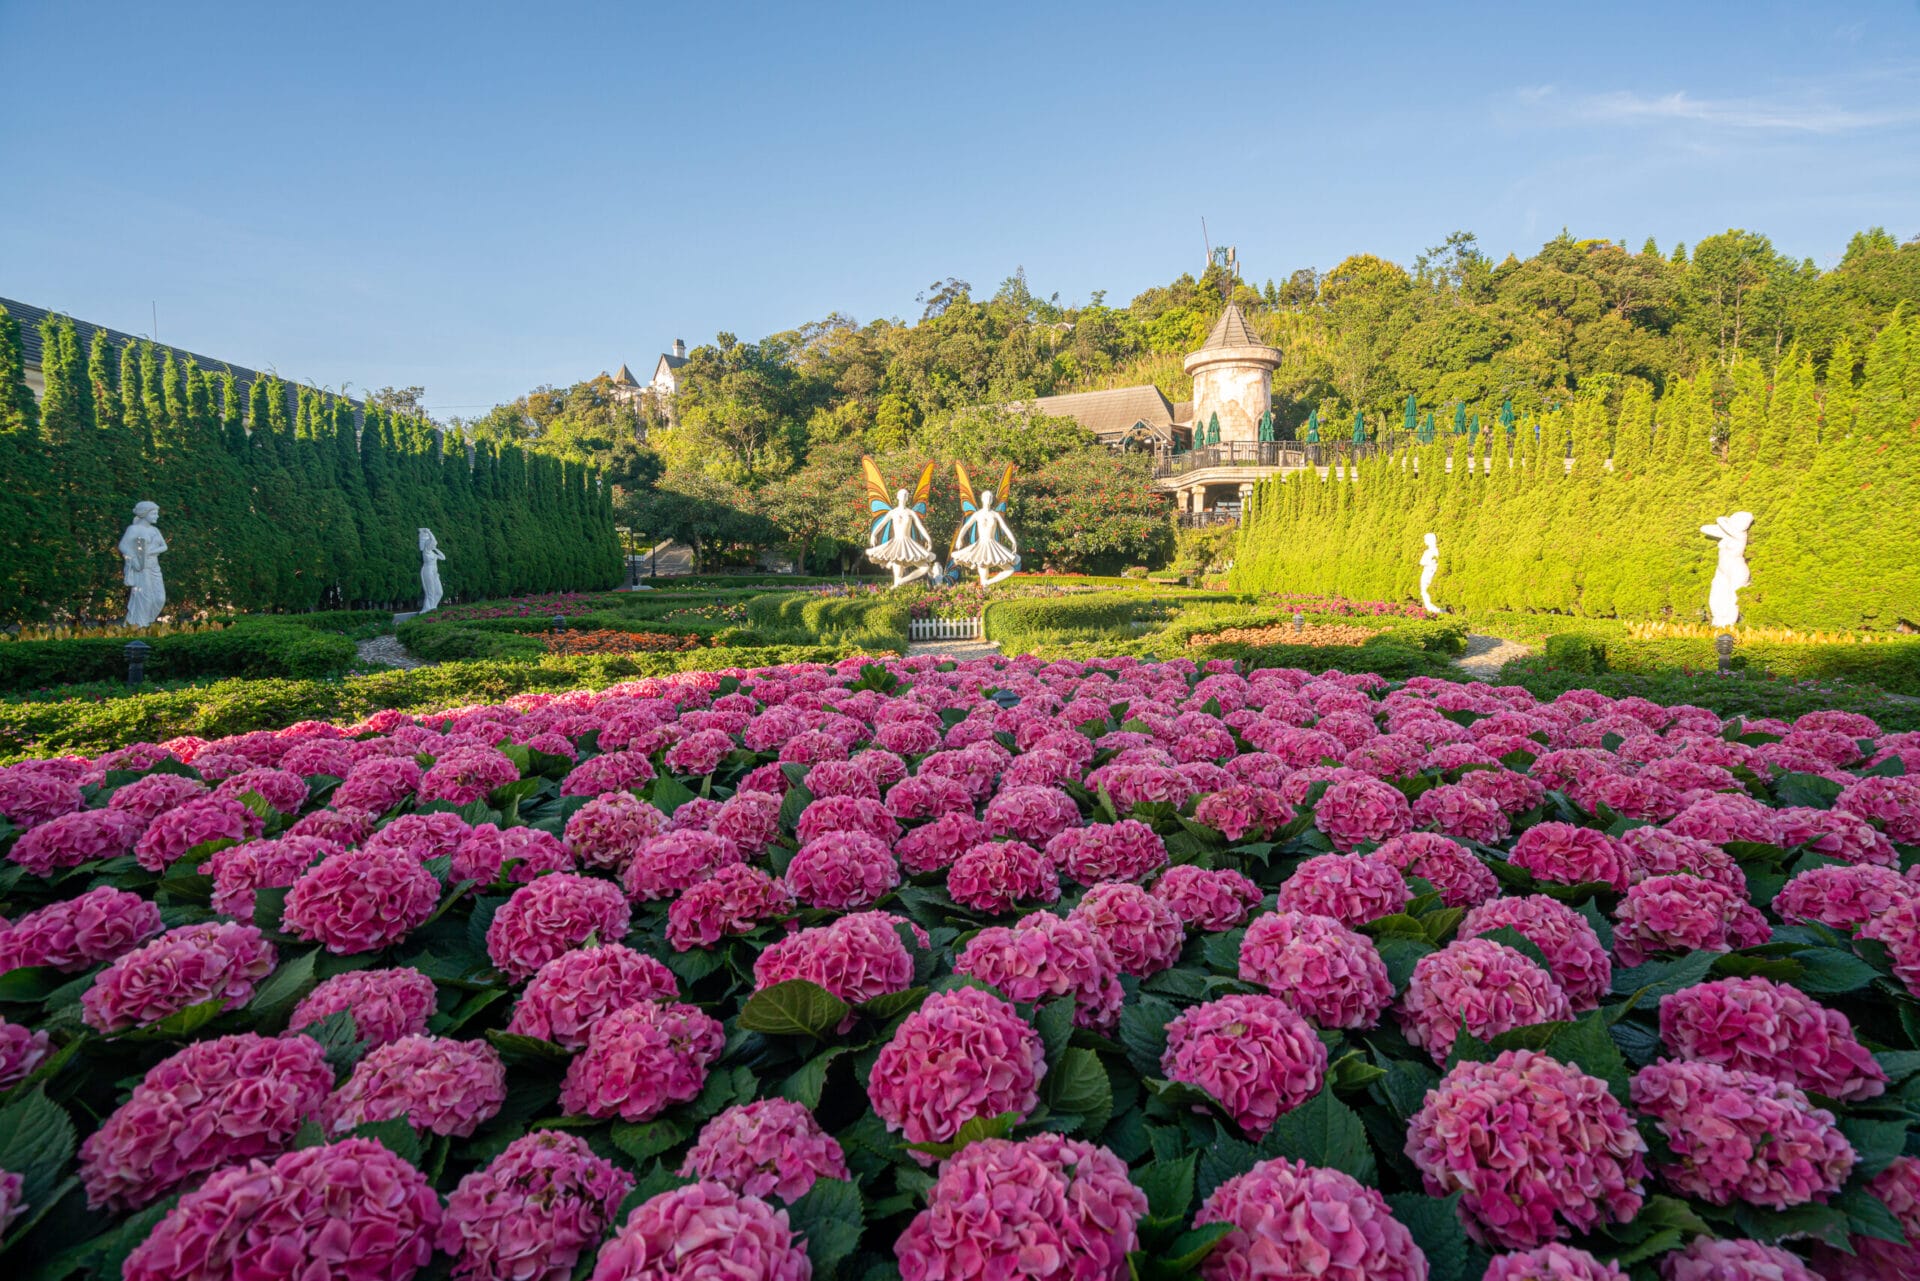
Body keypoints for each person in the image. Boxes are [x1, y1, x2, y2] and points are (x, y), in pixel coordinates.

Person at [950, 464, 1021, 588]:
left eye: (990, 497)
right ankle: (984, 587)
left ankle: (987, 583)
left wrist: (1013, 541)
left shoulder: (995, 515)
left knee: (1009, 570)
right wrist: (959, 539)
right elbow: (966, 527)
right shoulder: (977, 514)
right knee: (982, 566)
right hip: (981, 544)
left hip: (993, 544)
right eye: (986, 497)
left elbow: (1004, 528)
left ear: (992, 500)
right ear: (982, 499)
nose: (988, 499)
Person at [118, 502, 168, 628]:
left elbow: (164, 546)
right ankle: (139, 625)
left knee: (159, 598)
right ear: (144, 513)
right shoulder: (133, 529)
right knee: (144, 598)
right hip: (141, 568)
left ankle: (145, 623)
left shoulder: (154, 530)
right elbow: (123, 546)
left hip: (154, 567)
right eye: (154, 513)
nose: (157, 516)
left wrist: (150, 551)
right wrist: (134, 558)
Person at [1701, 511, 1753, 627]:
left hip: (1736, 570)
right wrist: (1725, 524)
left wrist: (1724, 520)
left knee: (1733, 598)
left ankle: (1729, 625)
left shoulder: (1740, 535)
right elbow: (1704, 528)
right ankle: (1718, 621)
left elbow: (1720, 520)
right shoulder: (1727, 533)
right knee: (1715, 596)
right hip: (1722, 570)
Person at [419, 527, 446, 612]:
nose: (434, 544)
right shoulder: (425, 551)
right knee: (430, 592)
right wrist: (428, 532)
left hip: (434, 573)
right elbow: (433, 539)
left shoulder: (433, 553)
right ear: (428, 545)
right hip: (428, 571)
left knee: (439, 592)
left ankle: (433, 607)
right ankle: (428, 609)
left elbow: (443, 557)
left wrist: (435, 549)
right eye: (433, 544)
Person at [1419, 533, 1442, 614]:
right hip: (1427, 572)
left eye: (1426, 540)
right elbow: (1421, 562)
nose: (1425, 542)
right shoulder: (1427, 551)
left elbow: (1438, 562)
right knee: (1424, 591)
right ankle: (1430, 610)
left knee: (1430, 591)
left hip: (1432, 573)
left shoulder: (1436, 551)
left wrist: (1432, 563)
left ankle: (1435, 611)